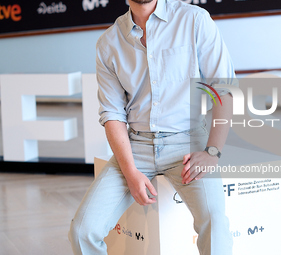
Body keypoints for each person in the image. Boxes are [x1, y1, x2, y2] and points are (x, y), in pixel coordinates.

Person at [69, 0, 238, 254]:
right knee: (82, 231)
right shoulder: (109, 43)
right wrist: (130, 171)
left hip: (188, 142)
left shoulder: (194, 20)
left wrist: (212, 151)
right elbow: (113, 114)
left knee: (214, 223)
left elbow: (223, 89)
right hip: (135, 147)